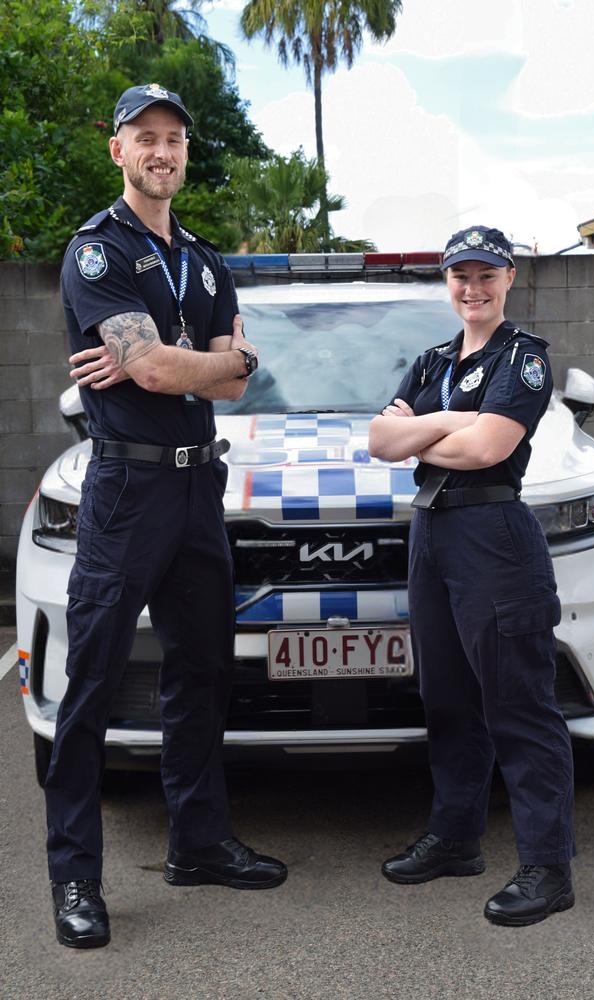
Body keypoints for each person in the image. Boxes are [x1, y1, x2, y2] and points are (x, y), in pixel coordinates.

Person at [47, 84, 287, 950]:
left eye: (174, 140)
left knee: (201, 672)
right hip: (126, 491)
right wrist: (196, 361)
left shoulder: (208, 260)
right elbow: (152, 371)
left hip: (197, 492)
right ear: (118, 150)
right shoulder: (96, 254)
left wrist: (212, 361)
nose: (162, 152)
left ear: (186, 154)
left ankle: (199, 841)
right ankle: (76, 877)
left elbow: (234, 374)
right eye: (144, 138)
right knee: (95, 684)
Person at [368, 226, 575, 927]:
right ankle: (457, 839)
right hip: (431, 536)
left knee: (518, 704)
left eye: (486, 275)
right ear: (447, 282)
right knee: (447, 698)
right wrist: (451, 419)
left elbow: (491, 447)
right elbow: (379, 441)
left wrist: (424, 427)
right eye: (460, 276)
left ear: (509, 279)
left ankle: (548, 867)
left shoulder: (525, 360)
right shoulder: (431, 361)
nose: (472, 288)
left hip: (494, 539)